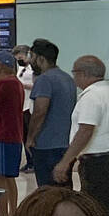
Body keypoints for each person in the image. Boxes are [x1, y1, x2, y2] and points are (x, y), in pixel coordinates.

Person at [53, 55, 109, 216]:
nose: (74, 77)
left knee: (96, 210)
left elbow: (85, 130)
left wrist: (65, 161)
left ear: (83, 74)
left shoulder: (92, 97)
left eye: (74, 73)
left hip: (98, 161)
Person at [23, 40, 76, 189]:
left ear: (41, 59)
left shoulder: (45, 79)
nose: (29, 61)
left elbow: (40, 111)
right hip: (66, 144)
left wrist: (31, 138)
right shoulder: (67, 79)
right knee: (64, 190)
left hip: (47, 146)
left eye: (32, 57)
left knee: (48, 192)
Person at [0, 52, 27, 216]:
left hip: (1, 134)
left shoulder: (2, 83)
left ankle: (3, 214)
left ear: (0, 65)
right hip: (14, 134)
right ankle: (13, 211)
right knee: (9, 177)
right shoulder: (16, 82)